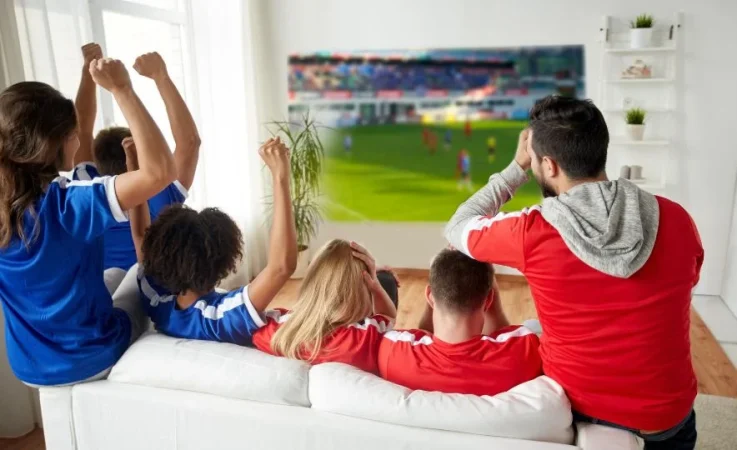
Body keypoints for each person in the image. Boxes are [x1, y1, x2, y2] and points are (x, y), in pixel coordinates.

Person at [445, 96, 702, 449]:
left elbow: (458, 226)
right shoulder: (677, 218)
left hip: (585, 413)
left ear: (549, 165)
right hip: (671, 418)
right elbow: (687, 282)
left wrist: (516, 168)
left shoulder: (530, 232)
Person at [0, 56, 177, 386]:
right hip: (90, 357)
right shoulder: (69, 204)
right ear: (57, 142)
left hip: (28, 366)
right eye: (73, 133)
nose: (80, 139)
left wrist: (86, 74)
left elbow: (81, 127)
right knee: (140, 276)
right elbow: (160, 172)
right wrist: (122, 89)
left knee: (113, 274)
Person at [133, 137, 297, 346]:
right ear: (225, 259)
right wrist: (280, 176)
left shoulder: (156, 302)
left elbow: (140, 235)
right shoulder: (219, 318)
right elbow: (281, 267)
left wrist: (134, 166)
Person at [73, 46, 200, 293]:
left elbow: (82, 130)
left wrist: (88, 72)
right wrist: (161, 76)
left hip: (101, 295)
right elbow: (190, 143)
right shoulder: (160, 188)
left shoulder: (85, 186)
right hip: (152, 297)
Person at [378, 249, 542, 395]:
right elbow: (503, 340)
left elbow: (424, 336)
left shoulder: (392, 351)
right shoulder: (526, 351)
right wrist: (489, 275)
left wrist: (436, 285)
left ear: (429, 295)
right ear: (489, 300)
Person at [252, 240, 398, 374]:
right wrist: (376, 284)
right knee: (387, 281)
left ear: (311, 282)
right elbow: (389, 316)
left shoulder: (273, 331)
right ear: (361, 293)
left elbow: (248, 313)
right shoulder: (364, 339)